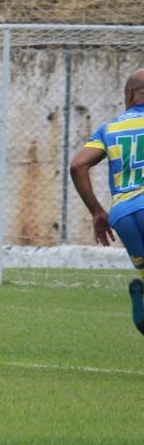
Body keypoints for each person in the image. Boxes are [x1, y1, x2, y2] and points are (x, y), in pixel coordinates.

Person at [70, 68, 144, 336]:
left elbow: (78, 165)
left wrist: (97, 212)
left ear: (128, 93)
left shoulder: (109, 128)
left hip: (122, 214)